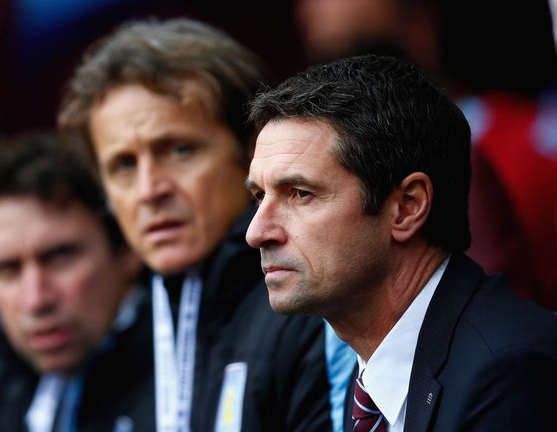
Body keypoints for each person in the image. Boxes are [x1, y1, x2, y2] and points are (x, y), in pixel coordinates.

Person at [245, 54, 557, 431]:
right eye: (260, 197)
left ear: (407, 207)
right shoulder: (368, 376)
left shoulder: (510, 372)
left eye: (300, 193)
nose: (257, 232)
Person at [59, 18, 331, 431]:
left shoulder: (319, 311)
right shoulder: (113, 363)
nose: (150, 190)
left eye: (179, 150)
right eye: (124, 165)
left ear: (250, 152)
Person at [0, 134, 146, 431]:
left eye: (60, 257)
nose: (36, 300)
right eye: (6, 270)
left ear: (127, 251)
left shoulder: (190, 376)